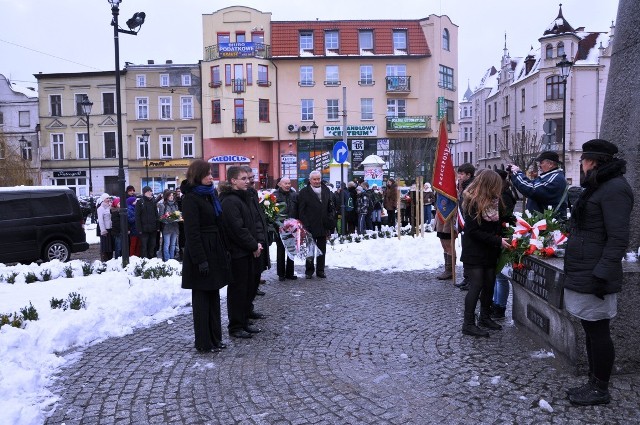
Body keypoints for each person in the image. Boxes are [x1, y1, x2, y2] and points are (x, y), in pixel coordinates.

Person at [563, 139, 633, 406]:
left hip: (596, 273)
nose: (580, 164)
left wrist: (602, 272)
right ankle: (594, 382)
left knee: (599, 330)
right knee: (591, 329)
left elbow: (618, 237)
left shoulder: (614, 189)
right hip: (585, 268)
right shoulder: (599, 186)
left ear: (593, 161)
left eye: (583, 159)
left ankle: (600, 388)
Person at [180, 160, 231, 353]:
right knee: (202, 300)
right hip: (201, 252)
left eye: (211, 174)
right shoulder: (191, 198)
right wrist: (200, 260)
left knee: (214, 296)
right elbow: (192, 233)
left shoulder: (210, 195)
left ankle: (216, 338)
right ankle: (204, 341)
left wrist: (224, 248)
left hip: (214, 248)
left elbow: (219, 223)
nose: (211, 177)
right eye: (208, 174)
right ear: (197, 176)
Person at [459, 170, 511, 337]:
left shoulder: (496, 201)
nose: (500, 187)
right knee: (477, 285)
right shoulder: (473, 202)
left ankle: (485, 317)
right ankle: (468, 324)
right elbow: (473, 231)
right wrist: (497, 241)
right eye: (497, 184)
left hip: (489, 250)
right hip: (474, 251)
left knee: (489, 284)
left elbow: (500, 223)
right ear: (490, 185)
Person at [219, 166, 263, 339]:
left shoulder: (243, 197)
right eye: (243, 178)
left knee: (247, 289)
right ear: (233, 181)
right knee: (238, 291)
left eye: (248, 178)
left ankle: (243, 321)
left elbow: (252, 223)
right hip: (238, 253)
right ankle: (235, 326)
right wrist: (253, 245)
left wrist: (256, 244)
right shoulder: (230, 201)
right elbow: (238, 229)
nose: (247, 181)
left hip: (247, 251)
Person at [292, 170, 335, 279]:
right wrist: (305, 225)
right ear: (310, 180)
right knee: (310, 250)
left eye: (318, 179)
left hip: (323, 225)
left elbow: (330, 207)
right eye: (314, 179)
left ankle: (320, 270)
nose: (317, 181)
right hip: (309, 226)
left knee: (322, 250)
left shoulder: (326, 190)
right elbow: (301, 211)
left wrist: (330, 219)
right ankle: (309, 271)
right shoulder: (304, 192)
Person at [490, 170, 518, 319]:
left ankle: (500, 306)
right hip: (498, 236)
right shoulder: (500, 194)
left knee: (501, 275)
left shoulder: (505, 196)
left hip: (503, 236)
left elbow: (504, 216)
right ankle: (495, 303)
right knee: (496, 274)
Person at [509, 150, 567, 216]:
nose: (539, 165)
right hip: (541, 221)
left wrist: (517, 173)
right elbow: (531, 185)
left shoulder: (555, 178)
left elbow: (532, 189)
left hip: (547, 222)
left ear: (550, 164)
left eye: (541, 162)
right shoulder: (549, 176)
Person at [454, 163, 476, 289]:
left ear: (469, 175)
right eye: (459, 173)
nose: (460, 176)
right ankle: (466, 277)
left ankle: (471, 279)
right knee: (465, 252)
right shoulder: (464, 186)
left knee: (469, 253)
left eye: (462, 174)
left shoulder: (472, 187)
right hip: (465, 224)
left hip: (469, 224)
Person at [273, 177, 298, 281]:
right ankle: (281, 274)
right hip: (280, 227)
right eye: (285, 183)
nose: (288, 185)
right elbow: (271, 212)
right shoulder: (274, 195)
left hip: (292, 227)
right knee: (281, 250)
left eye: (289, 183)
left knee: (291, 250)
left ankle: (290, 273)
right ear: (280, 184)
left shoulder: (295, 195)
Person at [135, 186, 159, 259]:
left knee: (152, 245)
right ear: (144, 193)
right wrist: (139, 229)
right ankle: (144, 260)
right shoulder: (140, 202)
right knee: (144, 246)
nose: (149, 193)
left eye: (150, 191)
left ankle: (151, 259)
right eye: (147, 191)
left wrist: (157, 227)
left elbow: (156, 215)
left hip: (153, 228)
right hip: (143, 229)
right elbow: (137, 216)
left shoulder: (153, 202)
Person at [158, 189, 179, 261]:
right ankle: (167, 259)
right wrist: (166, 217)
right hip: (167, 227)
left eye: (172, 195)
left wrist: (178, 217)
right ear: (166, 196)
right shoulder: (163, 205)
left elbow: (177, 215)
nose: (171, 197)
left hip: (174, 226)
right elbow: (160, 218)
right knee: (167, 244)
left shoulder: (175, 205)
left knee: (173, 244)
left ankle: (172, 259)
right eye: (170, 195)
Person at [96, 193, 113, 261]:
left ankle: (110, 258)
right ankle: (104, 259)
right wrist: (103, 230)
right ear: (103, 199)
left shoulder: (109, 207)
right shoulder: (101, 208)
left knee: (110, 245)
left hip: (110, 228)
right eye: (107, 198)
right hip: (105, 229)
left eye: (109, 198)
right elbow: (100, 220)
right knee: (105, 245)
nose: (108, 199)